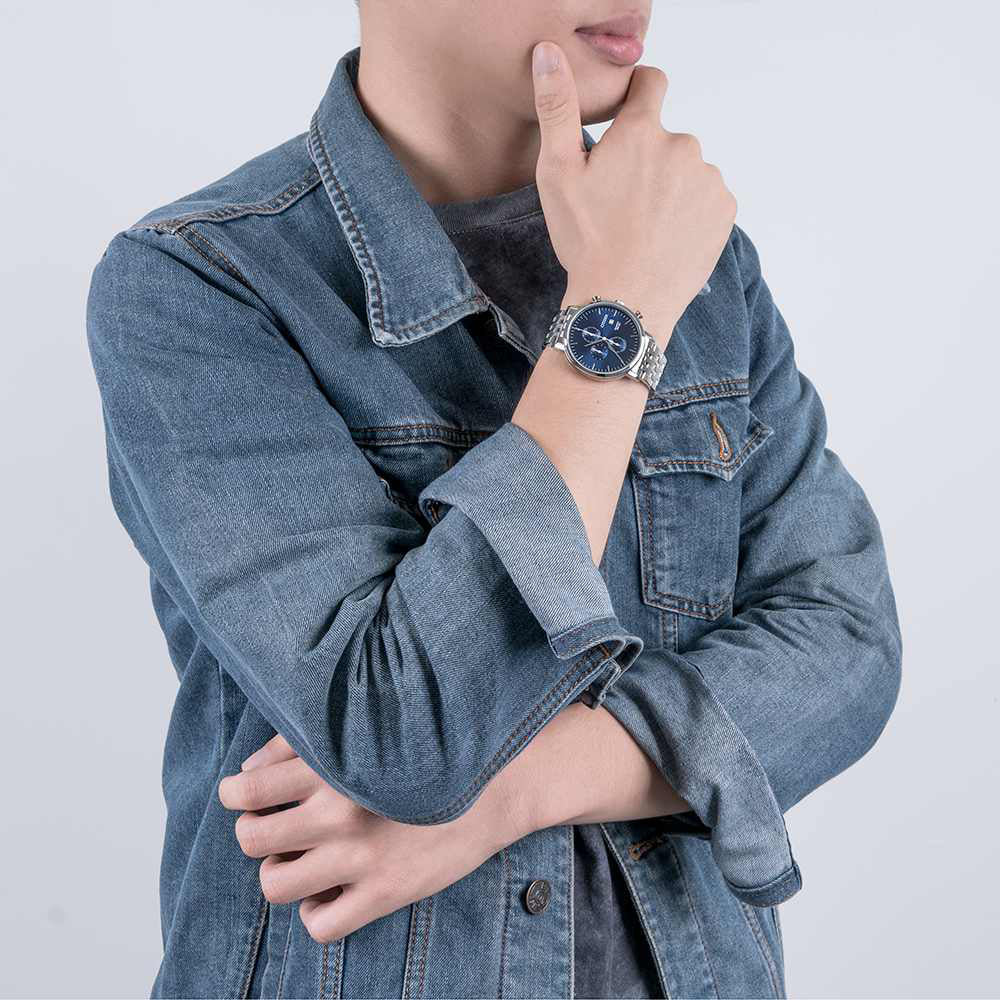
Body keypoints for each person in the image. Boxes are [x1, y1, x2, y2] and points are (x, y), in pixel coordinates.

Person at [85, 2, 902, 997]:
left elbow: (845, 645)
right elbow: (402, 735)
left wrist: (512, 793)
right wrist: (619, 309)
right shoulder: (200, 282)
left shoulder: (697, 256)